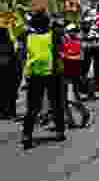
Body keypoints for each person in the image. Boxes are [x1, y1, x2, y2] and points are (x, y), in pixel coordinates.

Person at [21, 11, 67, 150]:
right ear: (48, 23)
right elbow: (61, 49)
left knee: (32, 107)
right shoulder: (54, 35)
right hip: (52, 73)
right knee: (56, 103)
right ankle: (60, 131)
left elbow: (24, 54)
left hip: (34, 74)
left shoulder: (28, 37)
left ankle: (27, 134)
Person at [0, 27, 21, 120]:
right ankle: (10, 112)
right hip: (10, 73)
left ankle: (5, 112)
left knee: (4, 93)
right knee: (10, 93)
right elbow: (14, 59)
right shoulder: (10, 44)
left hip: (7, 72)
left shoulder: (8, 45)